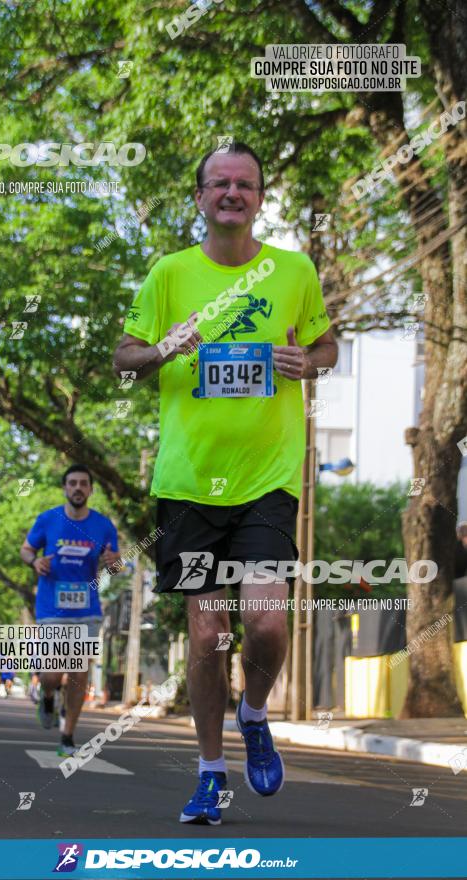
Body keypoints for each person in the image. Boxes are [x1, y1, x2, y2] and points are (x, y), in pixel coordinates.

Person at [113, 142, 337, 825]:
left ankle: (254, 711)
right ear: (201, 198)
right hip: (188, 485)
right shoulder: (169, 274)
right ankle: (210, 773)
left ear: (260, 198)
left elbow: (326, 343)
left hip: (267, 479)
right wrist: (162, 349)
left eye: (245, 184)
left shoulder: (293, 270)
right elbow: (125, 360)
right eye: (220, 184)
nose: (232, 193)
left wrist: (311, 360)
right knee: (209, 634)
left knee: (267, 622)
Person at [20, 464, 120, 757]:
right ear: (65, 488)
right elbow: (26, 549)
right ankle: (48, 695)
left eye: (83, 483)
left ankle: (67, 735)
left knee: (79, 672)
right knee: (52, 673)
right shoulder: (48, 520)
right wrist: (34, 562)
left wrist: (114, 561)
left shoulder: (103, 525)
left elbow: (113, 564)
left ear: (90, 490)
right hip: (52, 607)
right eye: (72, 483)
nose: (78, 488)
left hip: (86, 608)